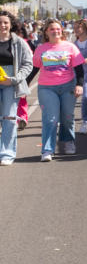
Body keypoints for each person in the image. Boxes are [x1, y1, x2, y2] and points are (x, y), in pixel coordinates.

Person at [33, 18, 85, 161]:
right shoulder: (41, 49)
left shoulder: (70, 47)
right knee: (50, 119)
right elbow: (34, 68)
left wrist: (79, 85)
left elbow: (79, 69)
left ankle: (68, 141)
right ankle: (47, 150)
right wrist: (23, 85)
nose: (55, 31)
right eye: (52, 29)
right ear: (46, 32)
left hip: (67, 86)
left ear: (61, 31)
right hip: (47, 88)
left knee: (67, 116)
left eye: (58, 29)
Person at [0, 11, 33, 165]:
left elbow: (28, 64)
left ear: (11, 24)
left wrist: (14, 79)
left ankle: (6, 154)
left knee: (9, 118)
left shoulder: (19, 42)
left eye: (5, 22)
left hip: (11, 84)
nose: (2, 25)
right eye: (0, 22)